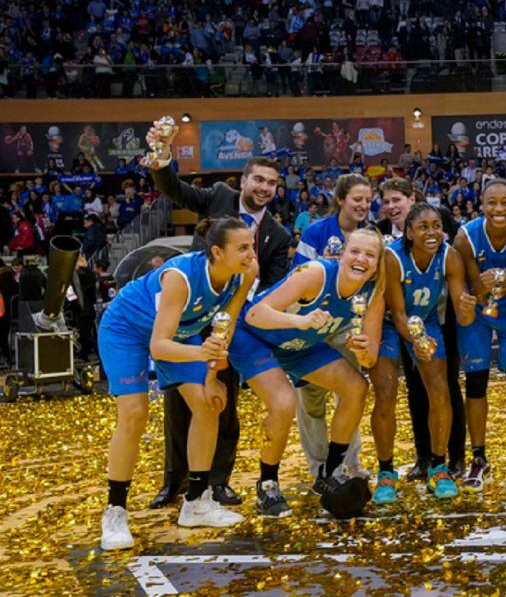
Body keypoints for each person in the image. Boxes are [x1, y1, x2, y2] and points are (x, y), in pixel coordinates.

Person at [146, 123, 292, 510]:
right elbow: (175, 189)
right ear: (243, 180)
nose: (263, 188)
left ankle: (219, 480)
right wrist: (162, 157)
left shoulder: (277, 235)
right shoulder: (219, 197)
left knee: (222, 401)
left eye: (271, 183)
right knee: (179, 400)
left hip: (232, 324)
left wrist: (241, 319)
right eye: (258, 179)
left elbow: (272, 290)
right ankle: (174, 481)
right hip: (189, 315)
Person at [99, 218, 258, 551]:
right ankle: (115, 511)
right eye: (243, 248)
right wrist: (202, 353)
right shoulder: (180, 277)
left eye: (252, 246)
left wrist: (212, 378)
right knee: (134, 413)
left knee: (209, 404)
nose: (251, 254)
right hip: (127, 330)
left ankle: (196, 502)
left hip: (180, 334)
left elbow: (223, 329)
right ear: (217, 251)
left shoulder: (246, 273)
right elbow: (159, 346)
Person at [227, 229, 385, 516]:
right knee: (284, 402)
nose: (361, 259)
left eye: (370, 255)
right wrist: (299, 322)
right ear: (342, 255)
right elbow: (254, 314)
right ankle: (267, 484)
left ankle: (330, 470)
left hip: (298, 345)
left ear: (376, 266)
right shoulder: (315, 273)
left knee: (356, 387)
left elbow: (370, 358)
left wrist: (361, 348)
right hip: (255, 337)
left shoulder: (373, 294)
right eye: (355, 251)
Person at [378, 203, 474, 500]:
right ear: (409, 232)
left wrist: (468, 308)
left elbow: (463, 317)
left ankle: (438, 467)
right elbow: (398, 312)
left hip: (427, 320)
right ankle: (385, 472)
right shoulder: (392, 258)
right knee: (385, 390)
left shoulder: (450, 257)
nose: (431, 232)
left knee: (440, 389)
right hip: (389, 323)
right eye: (423, 227)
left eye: (435, 225)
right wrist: (417, 341)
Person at [453, 179, 506, 493]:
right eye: (492, 202)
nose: (499, 209)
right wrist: (483, 284)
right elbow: (463, 285)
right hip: (477, 310)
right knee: (476, 383)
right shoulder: (466, 237)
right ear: (481, 204)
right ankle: (478, 457)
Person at [292, 174, 376, 481]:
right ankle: (318, 468)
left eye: (367, 200)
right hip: (312, 328)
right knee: (311, 401)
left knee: (349, 395)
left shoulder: (372, 233)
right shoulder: (315, 232)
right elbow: (297, 277)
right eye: (357, 199)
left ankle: (350, 463)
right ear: (340, 199)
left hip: (348, 328)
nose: (363, 205)